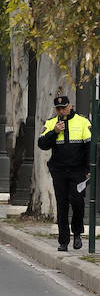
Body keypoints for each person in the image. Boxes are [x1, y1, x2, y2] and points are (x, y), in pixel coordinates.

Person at [37, 94, 92, 251]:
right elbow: (42, 144)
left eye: (64, 108)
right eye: (58, 109)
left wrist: (89, 169)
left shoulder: (83, 122)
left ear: (70, 107)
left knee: (77, 202)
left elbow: (89, 148)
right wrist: (54, 132)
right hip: (59, 171)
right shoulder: (51, 123)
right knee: (61, 205)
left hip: (78, 171)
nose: (61, 111)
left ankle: (77, 233)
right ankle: (63, 241)